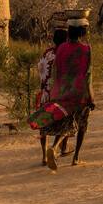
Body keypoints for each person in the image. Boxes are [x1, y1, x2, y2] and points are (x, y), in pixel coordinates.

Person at [27, 11, 95, 171]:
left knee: (66, 122)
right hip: (80, 92)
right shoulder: (86, 49)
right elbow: (88, 75)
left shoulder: (61, 48)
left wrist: (54, 92)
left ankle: (55, 147)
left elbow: (56, 71)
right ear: (83, 32)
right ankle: (76, 157)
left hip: (63, 91)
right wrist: (91, 97)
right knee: (82, 124)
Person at [36, 27, 71, 166]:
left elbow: (41, 70)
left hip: (45, 93)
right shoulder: (65, 54)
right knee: (66, 121)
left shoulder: (47, 53)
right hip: (60, 94)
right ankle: (57, 147)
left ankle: (44, 155)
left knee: (43, 124)